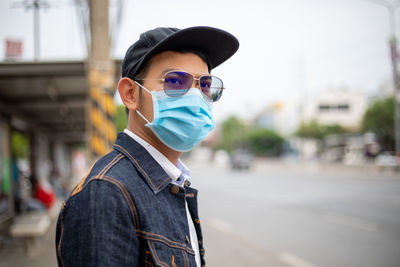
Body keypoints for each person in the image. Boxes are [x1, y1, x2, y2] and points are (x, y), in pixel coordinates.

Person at [55, 26, 239, 267]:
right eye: (174, 81)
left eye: (205, 85)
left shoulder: (171, 183)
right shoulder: (106, 193)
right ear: (130, 94)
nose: (196, 98)